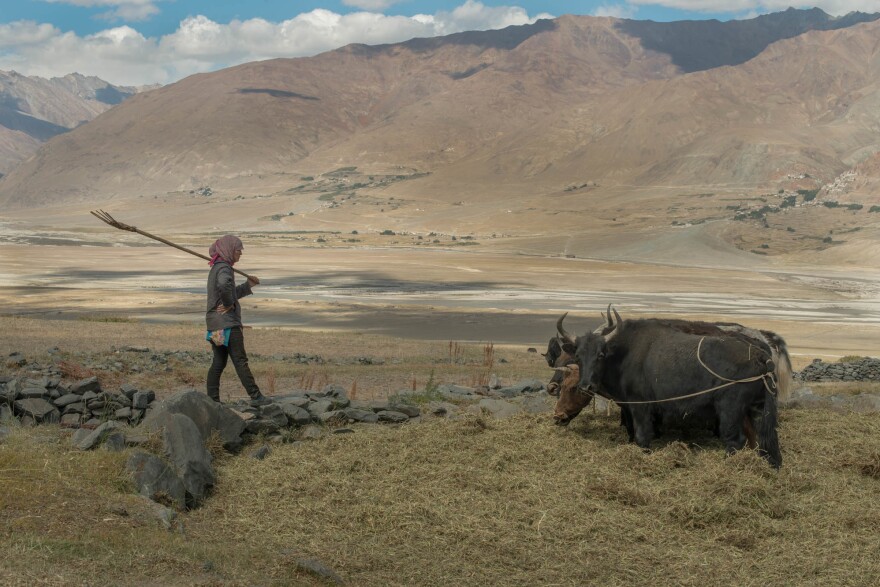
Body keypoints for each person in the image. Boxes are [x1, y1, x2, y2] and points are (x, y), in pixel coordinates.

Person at [205, 234, 270, 406]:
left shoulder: (217, 267)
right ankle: (256, 397)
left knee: (218, 362)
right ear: (229, 250)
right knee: (240, 361)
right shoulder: (225, 269)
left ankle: (212, 400)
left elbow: (229, 290)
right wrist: (229, 304)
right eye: (238, 250)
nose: (240, 253)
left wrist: (248, 285)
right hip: (228, 325)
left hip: (214, 326)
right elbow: (225, 286)